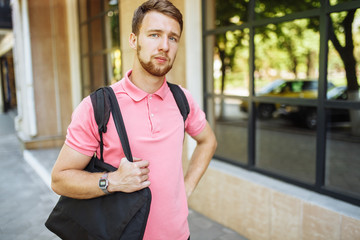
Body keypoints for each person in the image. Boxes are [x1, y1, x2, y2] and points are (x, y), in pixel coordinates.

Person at [50, 0, 217, 239]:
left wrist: (186, 188)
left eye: (172, 38)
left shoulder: (182, 99)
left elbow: (207, 141)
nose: (164, 46)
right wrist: (114, 181)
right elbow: (60, 179)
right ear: (133, 40)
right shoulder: (98, 106)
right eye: (154, 35)